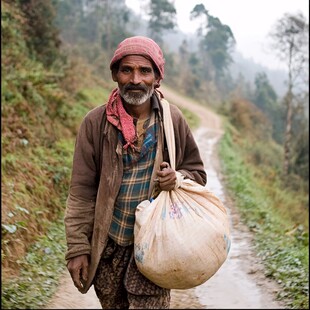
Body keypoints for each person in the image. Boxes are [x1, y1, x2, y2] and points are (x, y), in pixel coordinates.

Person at [64, 35, 207, 309]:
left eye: (145, 71)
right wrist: (78, 249)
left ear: (157, 77)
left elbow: (197, 173)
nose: (135, 79)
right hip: (109, 248)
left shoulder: (172, 119)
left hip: (155, 245)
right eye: (127, 70)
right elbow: (81, 191)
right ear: (115, 75)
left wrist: (176, 178)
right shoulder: (95, 124)